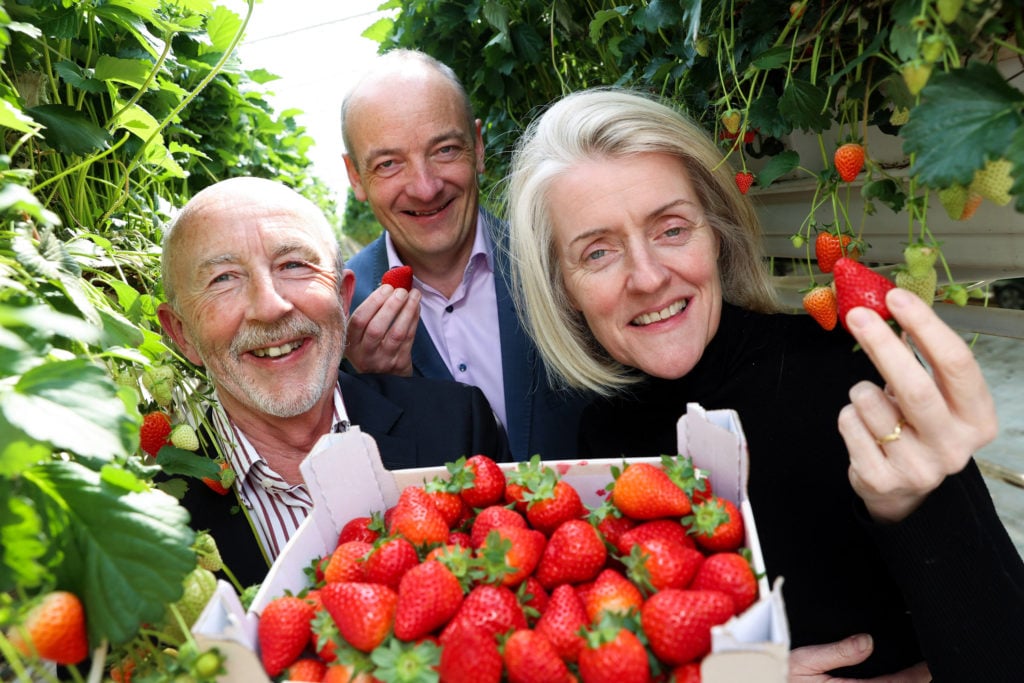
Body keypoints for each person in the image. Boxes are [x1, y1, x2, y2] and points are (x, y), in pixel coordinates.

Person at [505, 88, 1024, 681]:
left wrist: (913, 506)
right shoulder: (597, 434)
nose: (648, 277)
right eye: (597, 252)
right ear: (561, 287)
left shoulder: (846, 374)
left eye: (672, 229)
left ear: (716, 232)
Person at [156, 177, 510, 587]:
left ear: (343, 299)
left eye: (293, 265)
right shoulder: (152, 520)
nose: (270, 306)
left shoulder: (457, 425)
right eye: (223, 278)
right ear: (181, 334)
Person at [339, 49, 588, 462]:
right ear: (355, 176)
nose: (424, 187)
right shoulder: (339, 319)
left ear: (478, 145)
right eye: (388, 164)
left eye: (445, 150)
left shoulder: (559, 262)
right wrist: (379, 392)